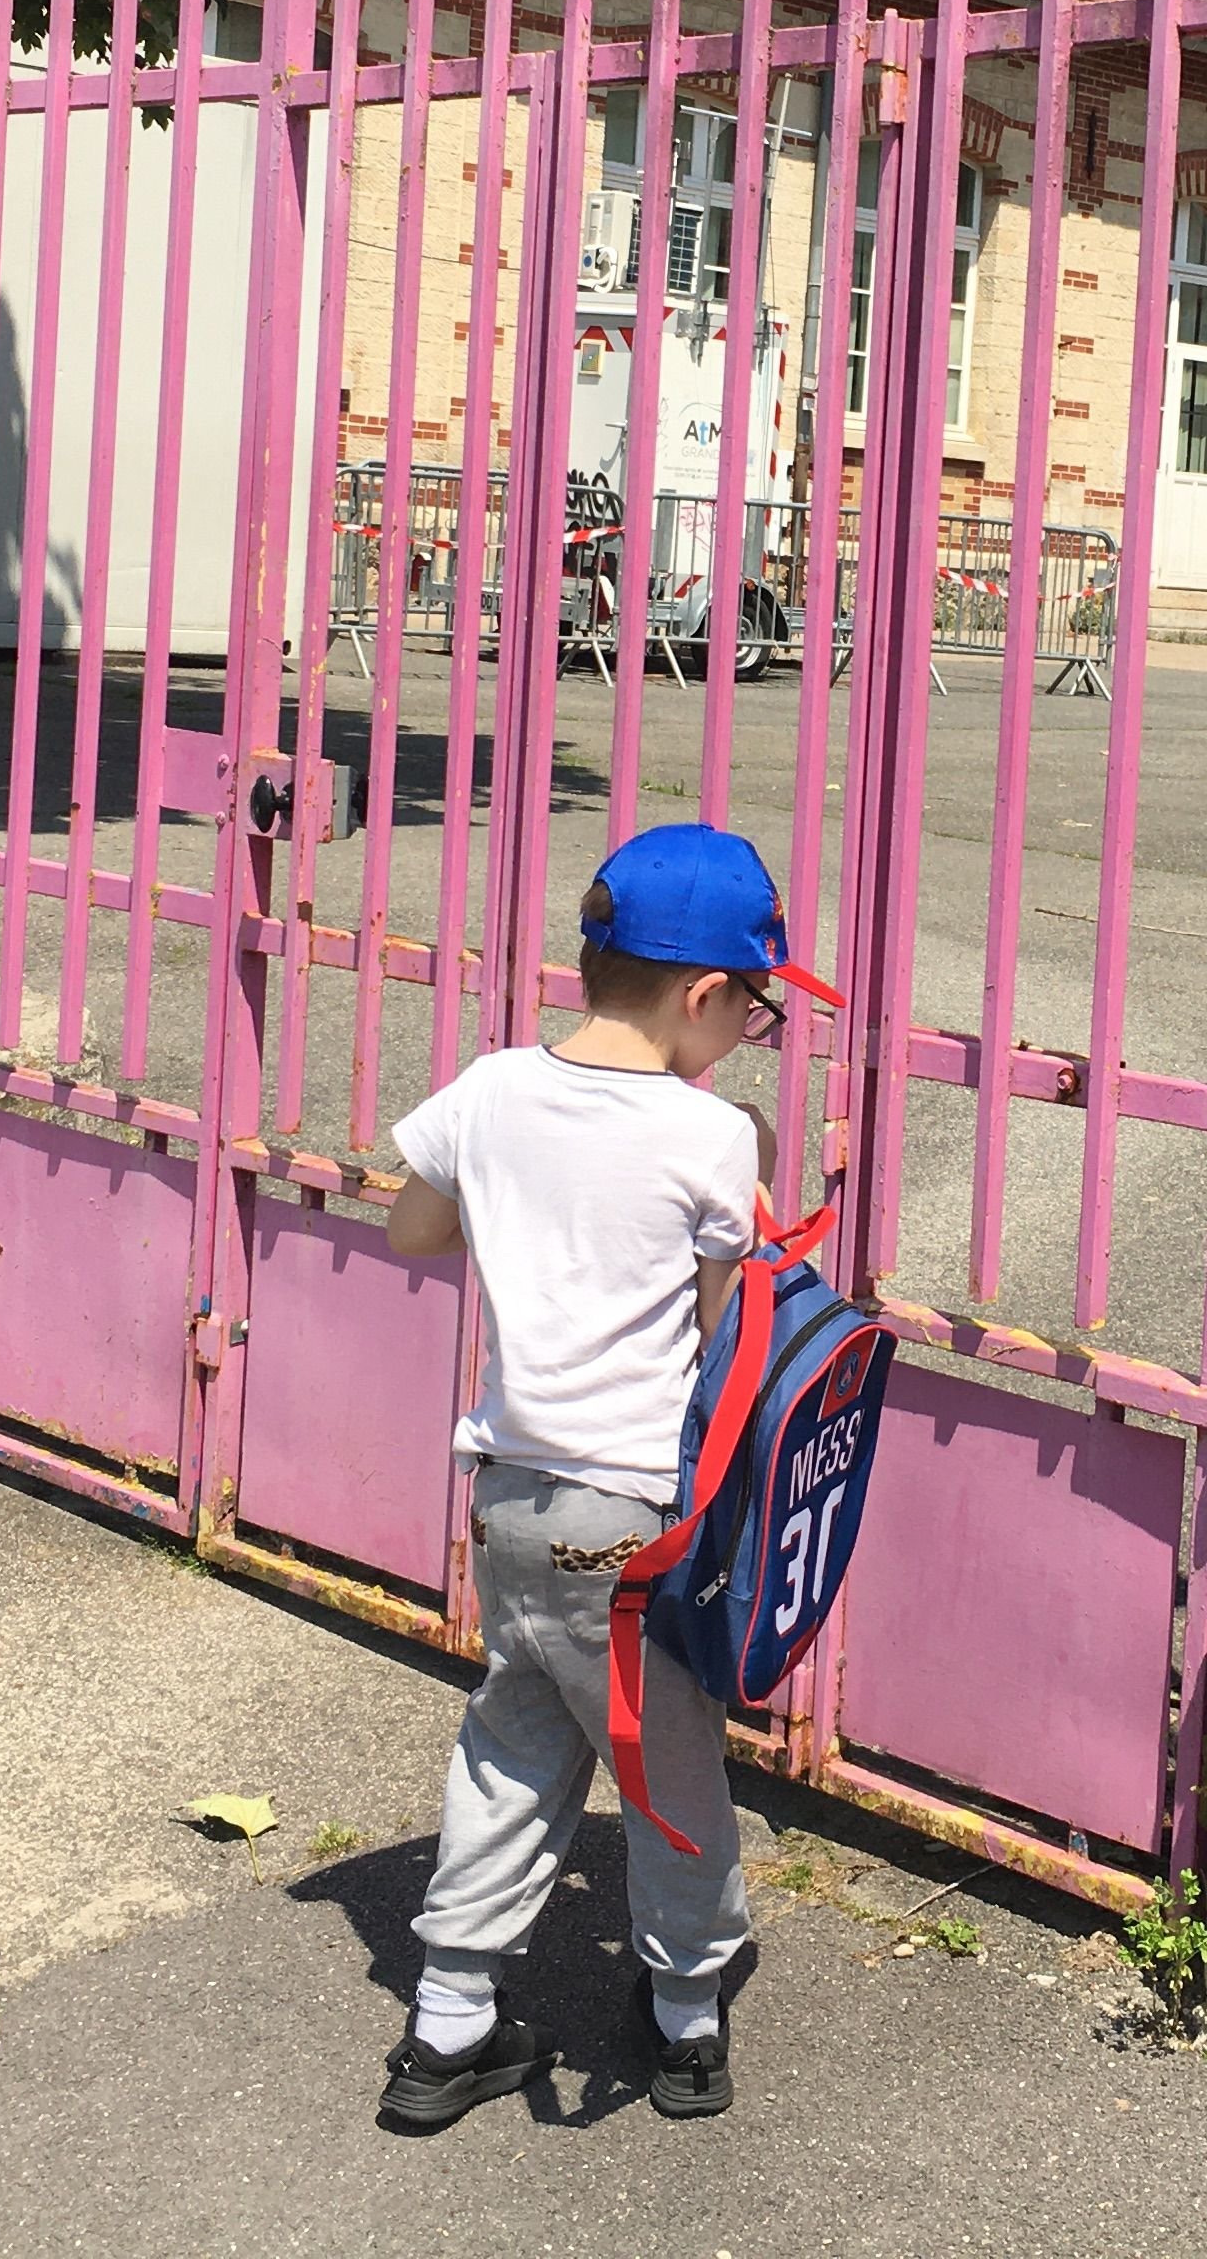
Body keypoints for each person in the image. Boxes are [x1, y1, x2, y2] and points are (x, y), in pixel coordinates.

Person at [374, 822, 836, 2135]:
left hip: (508, 1495)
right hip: (633, 1519)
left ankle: (450, 2023)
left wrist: (523, 1202)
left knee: (514, 1740)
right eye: (754, 1004)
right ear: (702, 993)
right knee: (667, 1760)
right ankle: (687, 2019)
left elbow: (412, 1225)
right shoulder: (709, 1139)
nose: (754, 1026)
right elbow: (716, 1326)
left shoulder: (490, 1089)